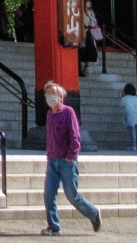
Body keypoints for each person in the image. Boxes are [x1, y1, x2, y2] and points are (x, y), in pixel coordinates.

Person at [40, 81, 102, 235]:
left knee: (72, 196)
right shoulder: (49, 114)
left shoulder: (68, 112)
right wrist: (49, 154)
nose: (50, 97)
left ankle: (93, 213)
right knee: (48, 194)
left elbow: (75, 136)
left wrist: (71, 156)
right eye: (48, 94)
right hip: (53, 160)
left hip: (66, 161)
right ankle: (53, 226)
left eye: (53, 94)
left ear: (60, 96)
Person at [121, 82, 137, 152]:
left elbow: (121, 104)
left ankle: (133, 145)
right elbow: (136, 105)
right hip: (136, 115)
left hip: (129, 115)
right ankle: (132, 145)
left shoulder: (125, 98)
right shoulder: (135, 98)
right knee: (134, 132)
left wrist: (123, 96)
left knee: (132, 132)